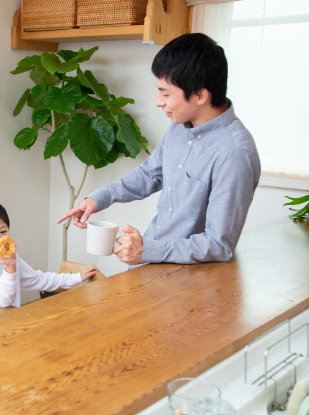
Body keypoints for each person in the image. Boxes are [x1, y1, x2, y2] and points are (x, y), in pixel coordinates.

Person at [57, 33, 261, 267]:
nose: (158, 101)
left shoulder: (235, 153)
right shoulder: (179, 126)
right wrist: (97, 198)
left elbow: (218, 245)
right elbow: (149, 175)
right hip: (148, 264)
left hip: (186, 278)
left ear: (200, 95)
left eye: (166, 94)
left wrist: (148, 250)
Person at [0, 199, 100, 307]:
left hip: (10, 324)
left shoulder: (12, 260)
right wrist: (10, 268)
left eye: (3, 232)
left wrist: (77, 277)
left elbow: (39, 280)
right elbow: (2, 300)